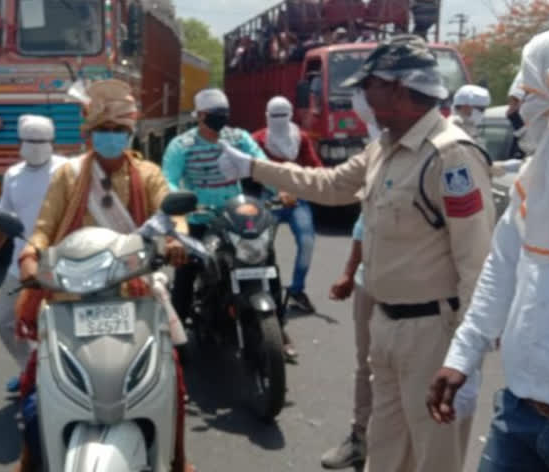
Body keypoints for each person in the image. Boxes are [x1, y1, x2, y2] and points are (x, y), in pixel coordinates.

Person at [216, 34, 496, 472]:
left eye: (370, 88)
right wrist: (252, 166)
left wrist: (466, 353)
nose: (362, 98)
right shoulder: (384, 147)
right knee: (384, 453)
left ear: (399, 89)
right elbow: (329, 185)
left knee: (434, 458)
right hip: (385, 324)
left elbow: (476, 261)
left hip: (433, 334)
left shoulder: (452, 155)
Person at [428, 23, 549, 472]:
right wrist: (464, 353)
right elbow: (504, 266)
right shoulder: (538, 176)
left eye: (532, 94)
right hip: (520, 417)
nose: (520, 112)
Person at [15, 79, 193, 472]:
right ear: (90, 133)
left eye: (118, 131)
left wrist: (176, 237)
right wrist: (30, 254)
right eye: (103, 131)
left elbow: (171, 210)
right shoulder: (68, 176)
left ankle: (177, 460)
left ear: (130, 133)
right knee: (33, 391)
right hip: (71, 293)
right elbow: (45, 227)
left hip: (134, 290)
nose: (110, 138)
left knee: (174, 386)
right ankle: (32, 460)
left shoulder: (147, 173)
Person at [161, 88, 298, 360]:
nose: (220, 120)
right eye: (214, 116)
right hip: (199, 218)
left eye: (224, 115)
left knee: (266, 262)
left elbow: (261, 166)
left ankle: (278, 328)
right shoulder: (182, 145)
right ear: (200, 116)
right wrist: (178, 211)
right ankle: (177, 340)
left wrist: (280, 189)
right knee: (186, 272)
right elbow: (169, 181)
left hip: (236, 215)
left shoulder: (238, 138)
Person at [0, 114, 66, 393]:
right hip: (22, 266)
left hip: (62, 263)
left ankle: (65, 377)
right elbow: (3, 221)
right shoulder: (13, 176)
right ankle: (31, 369)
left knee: (62, 325)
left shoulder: (68, 170)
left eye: (42, 142)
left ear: (53, 142)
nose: (36, 147)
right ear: (19, 143)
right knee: (5, 322)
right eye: (30, 142)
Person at [251, 96, 322, 314]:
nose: (279, 120)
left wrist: (319, 181)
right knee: (260, 246)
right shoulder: (259, 140)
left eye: (283, 115)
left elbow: (314, 165)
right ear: (267, 116)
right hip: (270, 199)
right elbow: (252, 170)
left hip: (297, 198)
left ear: (290, 115)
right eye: (275, 116)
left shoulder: (300, 138)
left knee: (307, 241)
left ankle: (297, 289)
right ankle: (260, 288)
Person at [321, 213, 371, 469]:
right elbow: (364, 224)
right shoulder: (376, 171)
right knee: (367, 366)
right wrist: (349, 273)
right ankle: (360, 441)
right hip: (370, 287)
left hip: (421, 303)